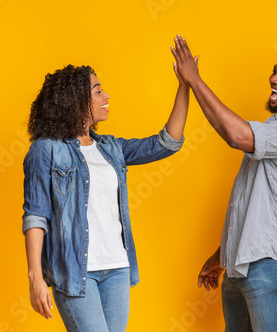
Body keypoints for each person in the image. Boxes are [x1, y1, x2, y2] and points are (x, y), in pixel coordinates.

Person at [22, 56, 196, 332]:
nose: (107, 95)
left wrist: (185, 86)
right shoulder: (47, 150)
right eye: (98, 90)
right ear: (75, 100)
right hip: (75, 271)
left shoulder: (112, 149)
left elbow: (168, 142)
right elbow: (35, 216)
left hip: (117, 267)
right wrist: (35, 278)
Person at [171, 34, 277, 331]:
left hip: (273, 267)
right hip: (241, 267)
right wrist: (223, 254)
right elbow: (255, 198)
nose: (273, 78)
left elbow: (236, 135)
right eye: (274, 71)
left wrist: (194, 81)